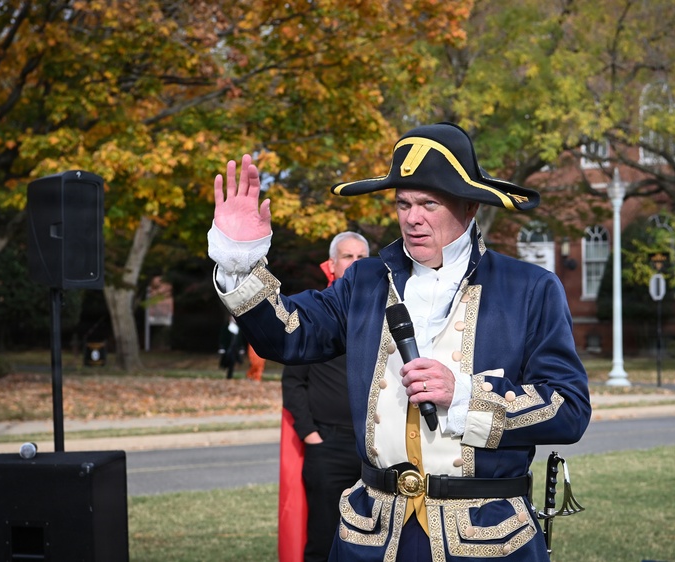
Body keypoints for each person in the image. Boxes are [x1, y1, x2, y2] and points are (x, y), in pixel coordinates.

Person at [208, 122, 591, 561]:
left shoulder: (530, 288)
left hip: (488, 540)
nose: (412, 218)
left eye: (429, 203)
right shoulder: (366, 280)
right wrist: (240, 261)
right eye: (403, 203)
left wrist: (464, 394)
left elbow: (569, 410)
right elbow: (290, 336)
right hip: (371, 537)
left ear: (469, 207)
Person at [280, 231, 370, 562]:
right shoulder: (315, 314)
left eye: (362, 257)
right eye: (348, 256)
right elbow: (293, 383)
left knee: (374, 538)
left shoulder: (385, 314)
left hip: (373, 449)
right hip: (327, 446)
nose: (356, 263)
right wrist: (310, 434)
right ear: (331, 264)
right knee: (323, 537)